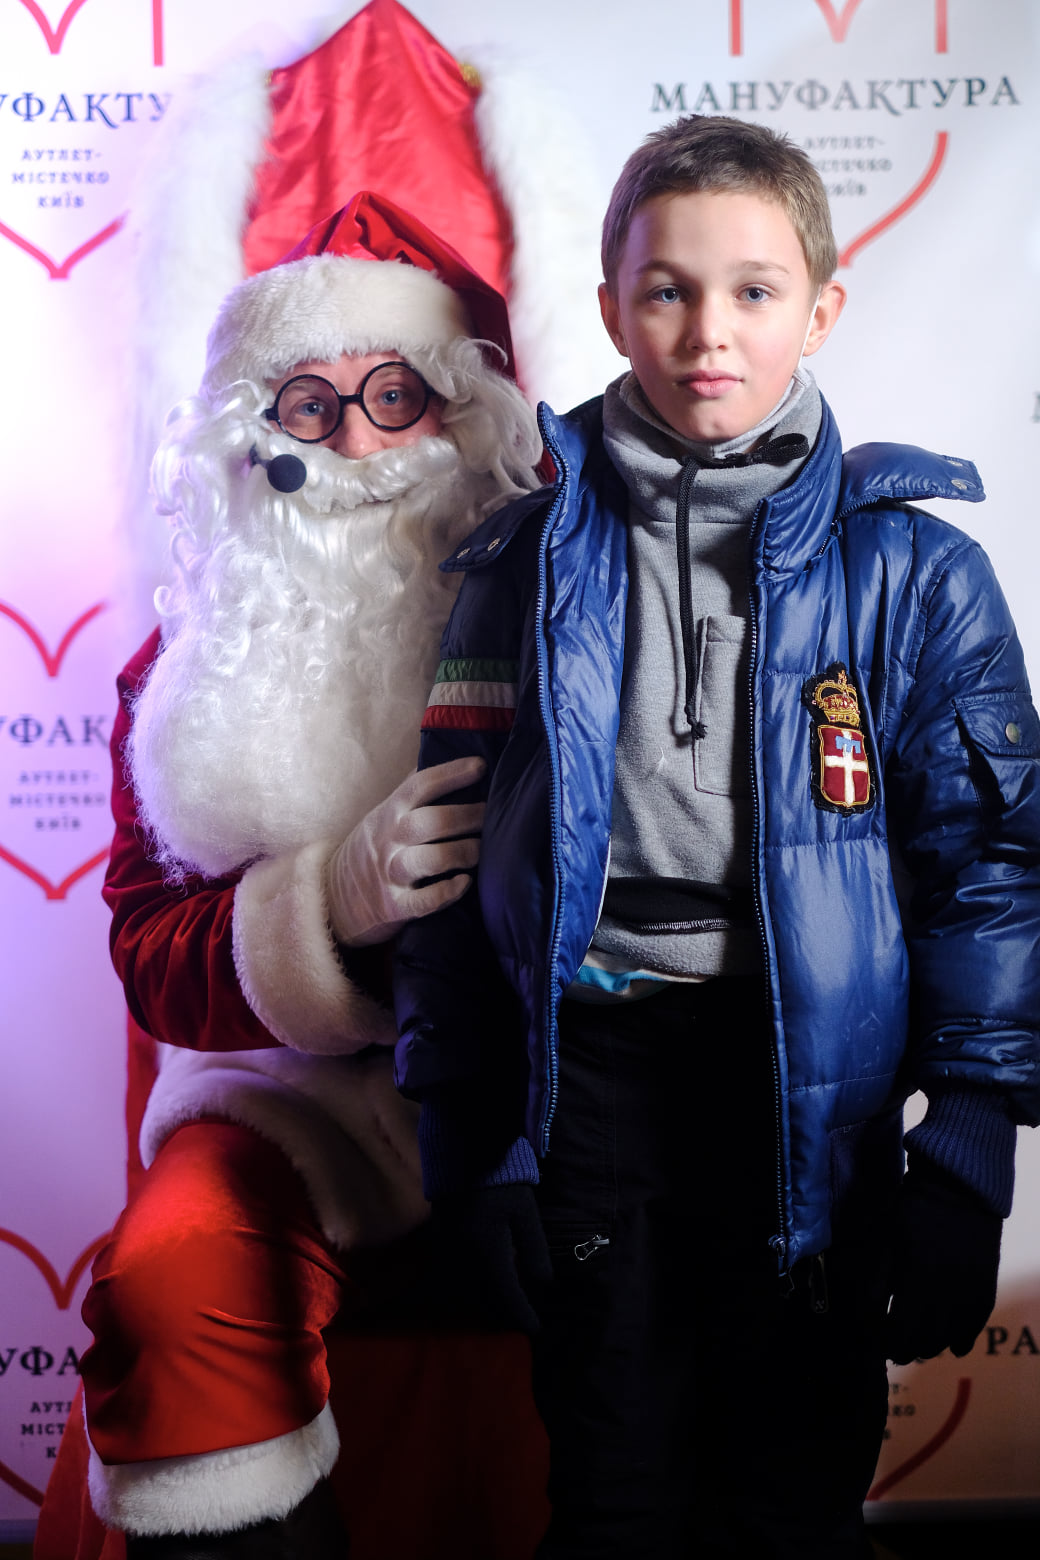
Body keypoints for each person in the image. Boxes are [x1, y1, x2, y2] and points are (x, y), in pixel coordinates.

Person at [393, 116, 1040, 1558]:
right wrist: (465, 1125)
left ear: (823, 306)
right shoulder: (515, 561)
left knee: (793, 1500)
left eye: (754, 290)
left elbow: (989, 870)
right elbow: (447, 852)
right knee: (612, 1493)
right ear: (610, 304)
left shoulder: (917, 571)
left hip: (812, 1086)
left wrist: (972, 1134)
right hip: (589, 1083)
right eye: (667, 290)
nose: (707, 333)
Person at [80, 191, 542, 1558]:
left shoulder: (566, 614)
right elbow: (149, 953)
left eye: (395, 396)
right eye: (309, 405)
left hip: (544, 1086)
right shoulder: (174, 671)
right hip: (287, 1104)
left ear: (462, 418)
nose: (353, 442)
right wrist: (326, 904)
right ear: (251, 433)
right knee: (171, 1287)